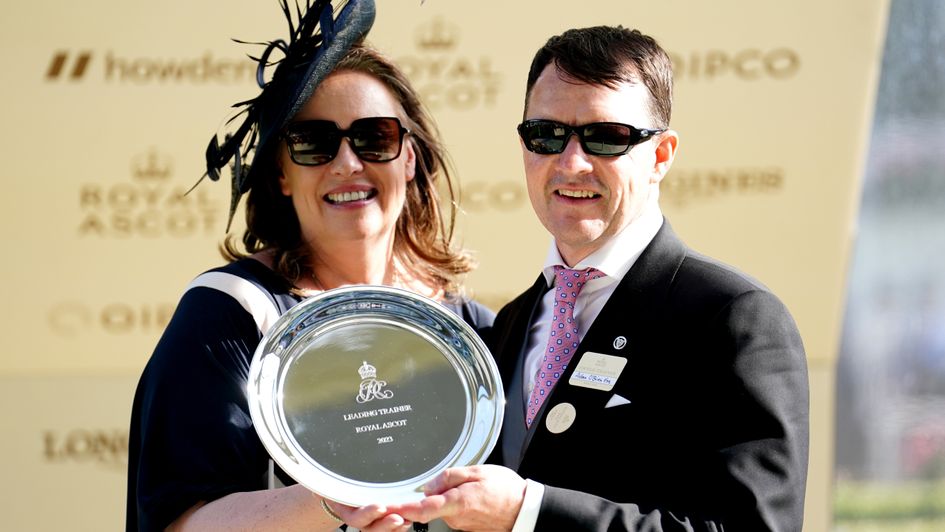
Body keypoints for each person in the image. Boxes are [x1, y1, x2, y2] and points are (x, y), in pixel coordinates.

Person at [381, 25, 810, 531]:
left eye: (606, 137)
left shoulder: (732, 318)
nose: (571, 162)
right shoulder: (513, 322)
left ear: (662, 156)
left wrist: (530, 512)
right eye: (547, 135)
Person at [125, 1, 492, 531]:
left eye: (375, 137)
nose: (347, 162)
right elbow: (180, 522)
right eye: (314, 143)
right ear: (281, 173)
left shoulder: (469, 332)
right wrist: (337, 500)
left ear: (409, 158)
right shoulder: (231, 313)